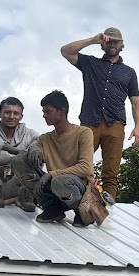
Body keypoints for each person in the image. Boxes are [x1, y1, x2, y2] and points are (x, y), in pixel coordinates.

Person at [60, 27, 139, 203]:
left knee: (111, 170)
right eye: (108, 41)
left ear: (122, 45)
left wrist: (138, 128)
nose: (112, 44)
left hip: (116, 123)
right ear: (103, 44)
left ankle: (108, 204)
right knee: (80, 163)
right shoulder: (90, 63)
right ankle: (77, 198)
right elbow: (65, 51)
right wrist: (92, 40)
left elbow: (136, 102)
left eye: (115, 41)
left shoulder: (129, 72)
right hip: (90, 122)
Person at [30, 89, 96, 225]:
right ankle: (53, 207)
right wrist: (34, 148)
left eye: (48, 111)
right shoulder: (46, 138)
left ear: (61, 112)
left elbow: (86, 168)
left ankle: (82, 210)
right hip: (55, 187)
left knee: (59, 181)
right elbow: (34, 145)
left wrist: (52, 174)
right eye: (43, 112)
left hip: (78, 186)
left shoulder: (84, 133)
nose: (44, 116)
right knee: (20, 161)